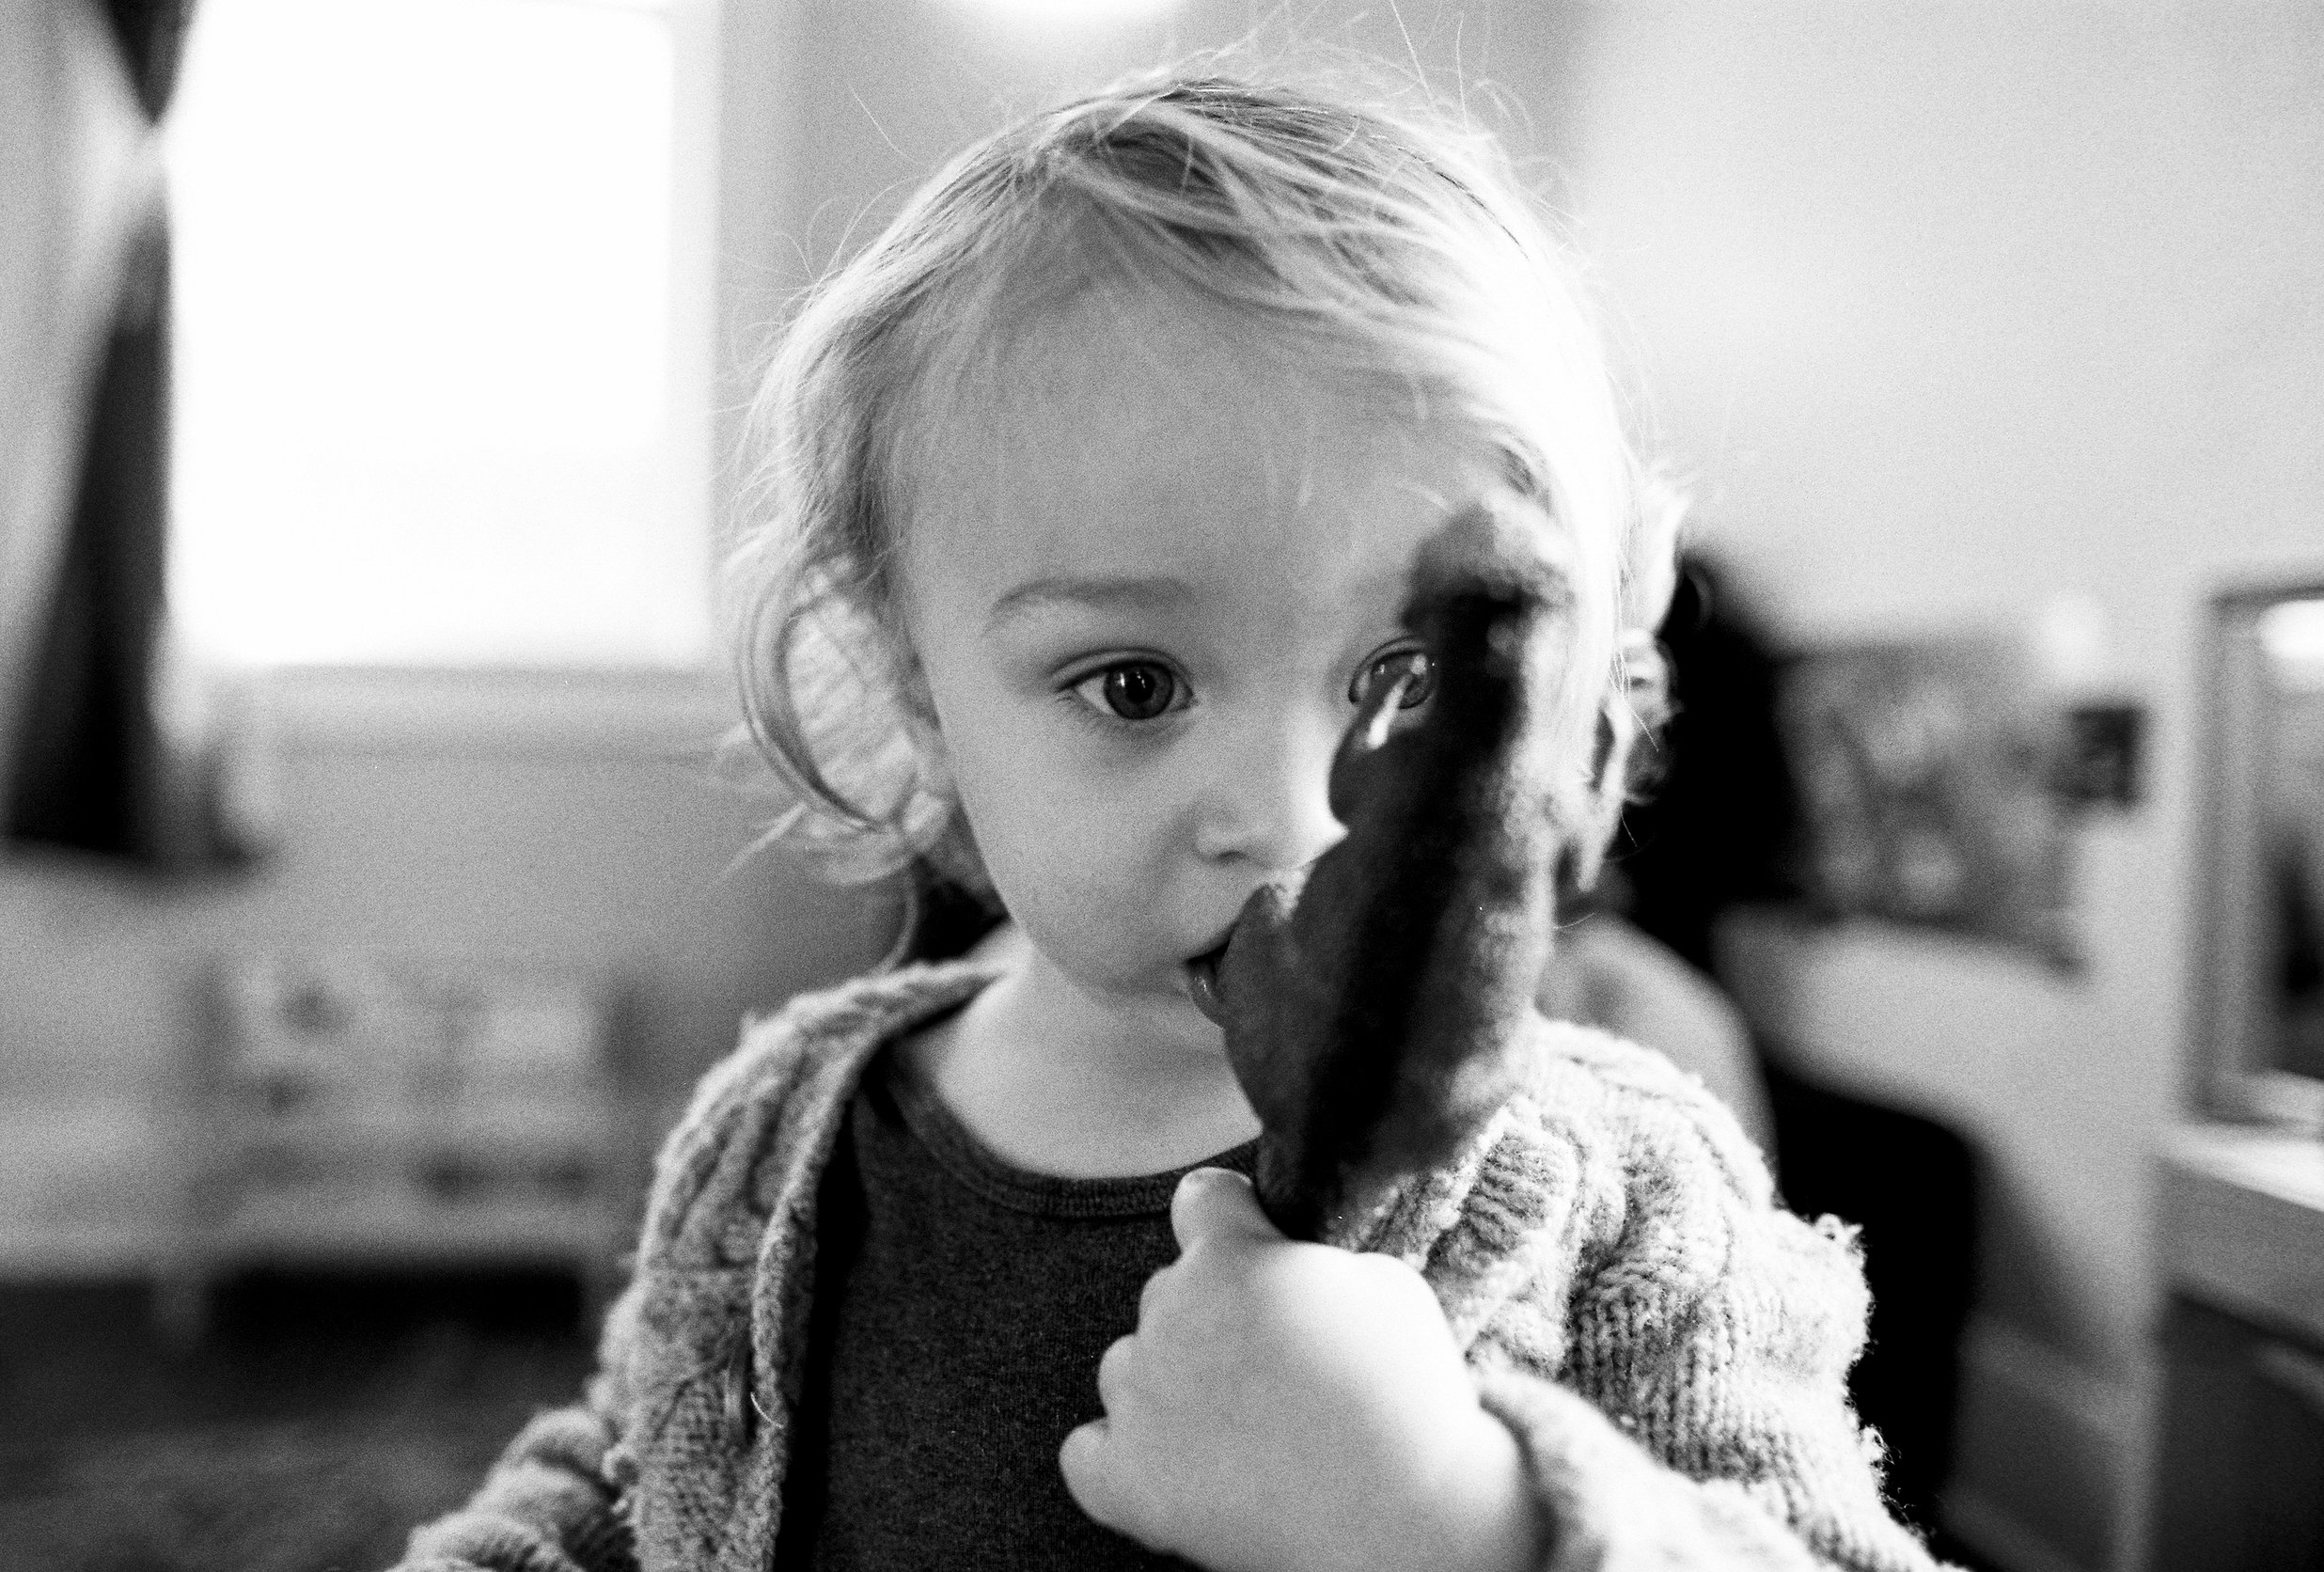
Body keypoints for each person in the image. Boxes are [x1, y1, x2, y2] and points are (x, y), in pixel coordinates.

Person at [397, 71, 1943, 1572]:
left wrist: (1460, 1523)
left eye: (1403, 679)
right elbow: (632, 1471)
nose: (1284, 827)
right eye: (1134, 684)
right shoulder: (784, 1131)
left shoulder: (1629, 1193)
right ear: (919, 691)